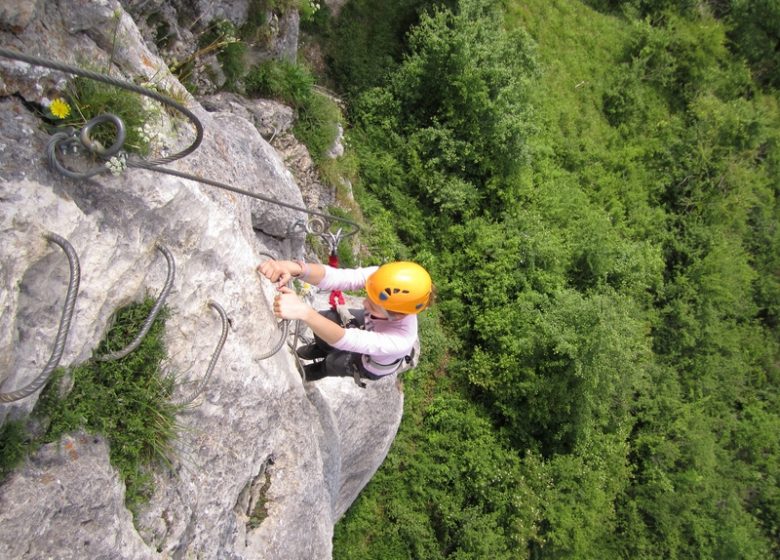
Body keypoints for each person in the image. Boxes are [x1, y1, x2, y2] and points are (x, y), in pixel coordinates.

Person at [256, 259, 432, 382]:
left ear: (397, 315)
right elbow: (341, 278)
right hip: (372, 329)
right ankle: (319, 348)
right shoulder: (385, 281)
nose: (364, 302)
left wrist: (304, 312)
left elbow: (346, 340)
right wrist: (296, 268)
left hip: (370, 363)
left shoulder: (400, 340)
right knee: (327, 318)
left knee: (334, 362)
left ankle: (309, 373)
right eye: (368, 296)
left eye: (373, 305)